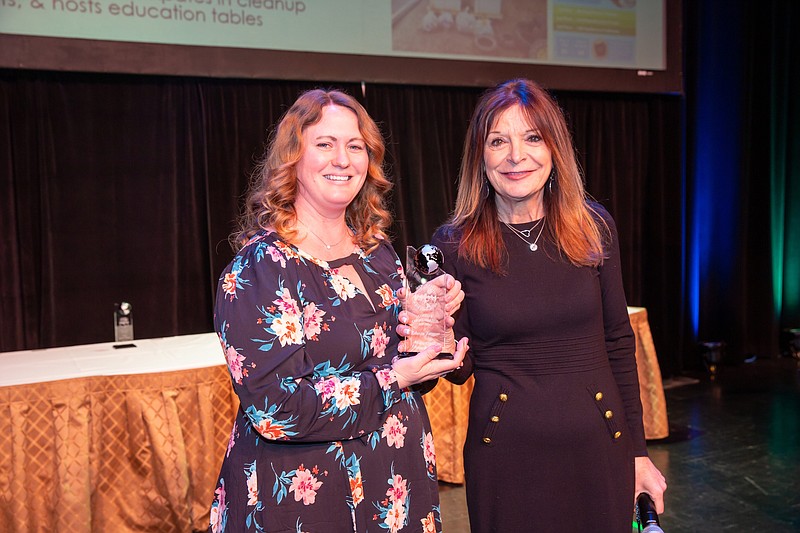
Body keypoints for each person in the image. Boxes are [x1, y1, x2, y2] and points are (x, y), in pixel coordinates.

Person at [208, 88, 469, 533]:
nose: (342, 159)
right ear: (292, 157)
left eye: (355, 146)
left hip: (394, 483)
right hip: (304, 498)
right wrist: (395, 379)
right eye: (325, 144)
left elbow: (399, 368)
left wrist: (431, 325)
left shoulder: (378, 252)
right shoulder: (260, 268)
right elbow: (276, 409)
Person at [431, 78, 667, 531]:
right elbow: (458, 368)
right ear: (479, 157)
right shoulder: (454, 244)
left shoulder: (595, 228)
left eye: (532, 137)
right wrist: (434, 330)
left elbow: (619, 343)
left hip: (600, 448)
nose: (516, 155)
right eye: (498, 141)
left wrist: (637, 452)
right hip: (505, 457)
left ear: (555, 148)